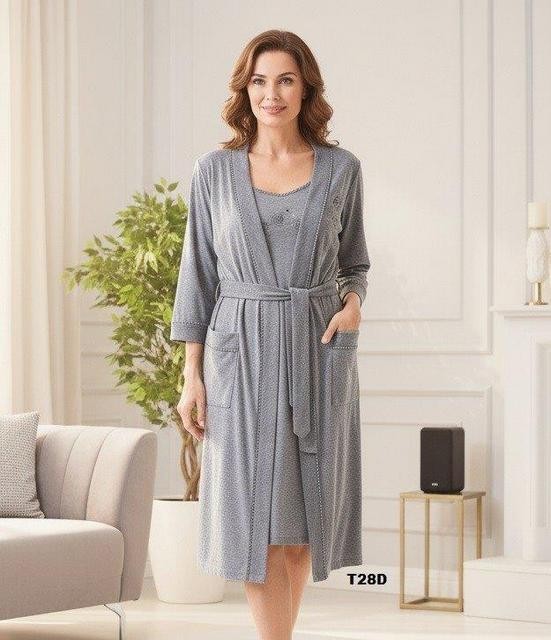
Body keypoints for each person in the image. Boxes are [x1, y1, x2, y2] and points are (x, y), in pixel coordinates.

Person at [171, 29, 371, 640]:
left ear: (305, 88)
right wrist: (191, 376)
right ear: (245, 89)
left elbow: (355, 263)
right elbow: (198, 277)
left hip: (318, 349)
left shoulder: (341, 169)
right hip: (240, 353)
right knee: (254, 522)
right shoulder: (214, 172)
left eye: (285, 80)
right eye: (259, 81)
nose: (272, 94)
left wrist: (353, 306)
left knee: (304, 524)